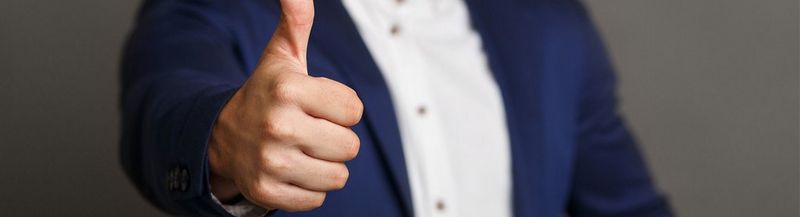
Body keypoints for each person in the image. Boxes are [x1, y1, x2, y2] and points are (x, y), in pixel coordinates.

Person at [120, 0, 672, 216]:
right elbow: (164, 107)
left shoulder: (550, 24)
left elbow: (627, 208)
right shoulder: (217, 9)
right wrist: (223, 140)